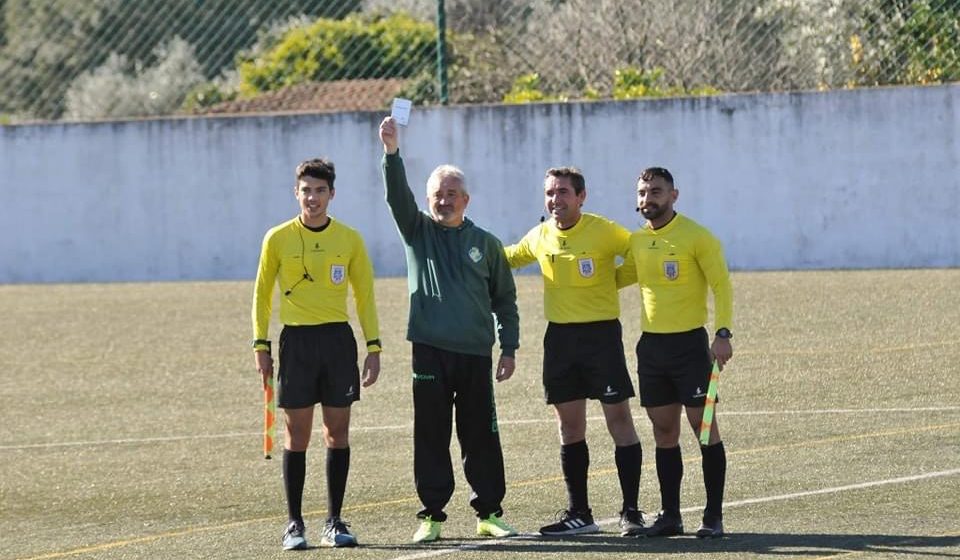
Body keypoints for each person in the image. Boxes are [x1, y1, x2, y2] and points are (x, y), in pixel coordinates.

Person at [378, 116, 520, 543]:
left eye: (452, 194)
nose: (445, 201)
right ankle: (432, 516)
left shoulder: (488, 244)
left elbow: (505, 300)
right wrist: (391, 152)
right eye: (438, 195)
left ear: (466, 199)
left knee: (480, 434)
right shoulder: (417, 231)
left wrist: (508, 347)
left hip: (476, 353)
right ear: (428, 199)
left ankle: (489, 513)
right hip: (430, 350)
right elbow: (395, 196)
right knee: (431, 434)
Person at [504, 167, 645, 537]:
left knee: (619, 421)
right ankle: (579, 513)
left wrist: (615, 280)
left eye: (563, 192)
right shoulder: (540, 235)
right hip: (561, 341)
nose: (556, 200)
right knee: (569, 426)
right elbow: (510, 258)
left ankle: (631, 511)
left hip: (601, 337)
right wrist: (467, 248)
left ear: (581, 197)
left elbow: (638, 250)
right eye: (550, 193)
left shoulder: (603, 230)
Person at [251, 158, 382, 550]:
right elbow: (261, 294)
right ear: (296, 192)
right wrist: (261, 345)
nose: (313, 197)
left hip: (338, 343)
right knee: (297, 434)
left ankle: (335, 521)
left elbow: (365, 296)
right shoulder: (277, 238)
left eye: (320, 190)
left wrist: (373, 347)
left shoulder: (350, 239)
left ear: (332, 194)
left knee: (337, 432)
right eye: (306, 190)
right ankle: (294, 523)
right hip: (296, 344)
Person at [616, 166, 733, 539]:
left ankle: (713, 516)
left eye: (656, 192)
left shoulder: (697, 237)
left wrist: (723, 334)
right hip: (652, 348)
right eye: (642, 193)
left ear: (673, 195)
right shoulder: (636, 241)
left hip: (691, 348)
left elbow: (722, 285)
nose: (647, 199)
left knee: (704, 429)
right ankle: (671, 516)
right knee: (664, 432)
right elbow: (621, 278)